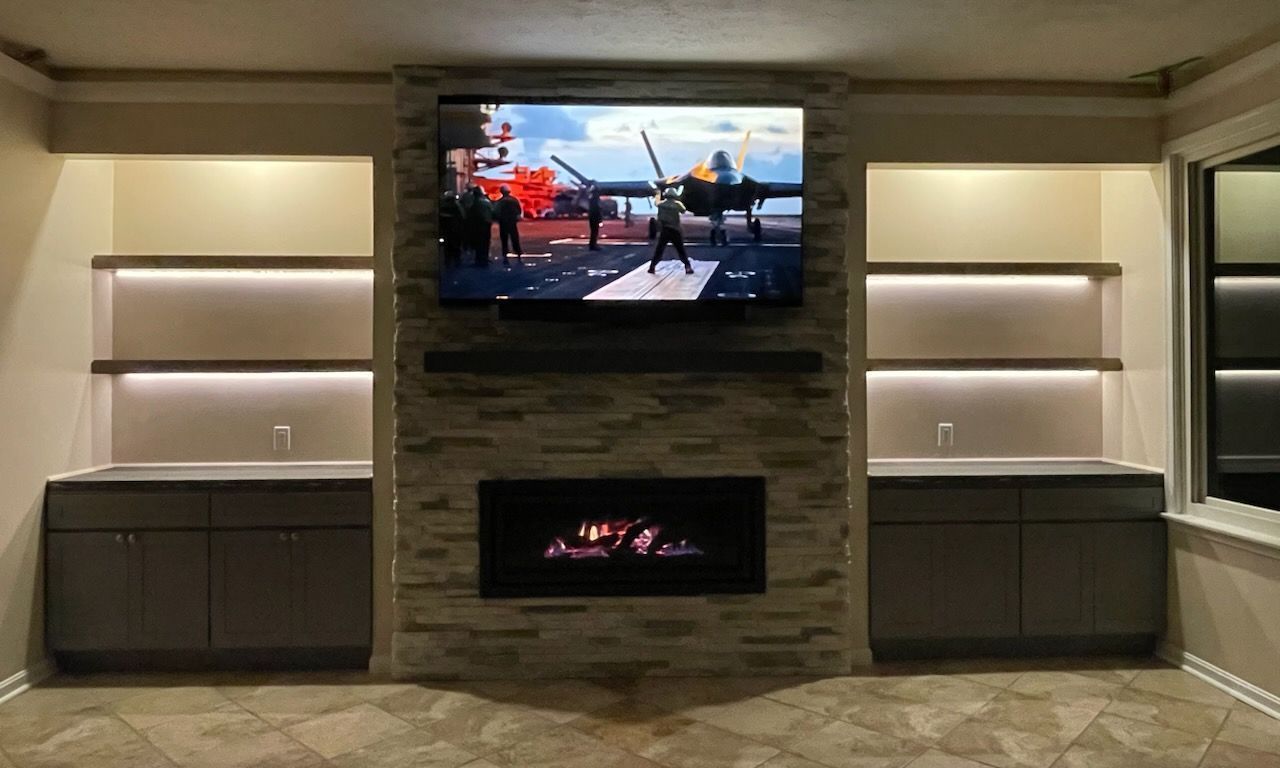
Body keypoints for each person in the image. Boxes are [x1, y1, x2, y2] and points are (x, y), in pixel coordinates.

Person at [648, 188, 693, 275]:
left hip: (665, 230)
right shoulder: (677, 204)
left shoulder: (661, 204)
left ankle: (652, 267)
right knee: (680, 250)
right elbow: (683, 210)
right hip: (675, 230)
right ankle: (688, 267)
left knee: (659, 250)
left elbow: (656, 203)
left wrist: (657, 194)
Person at [493, 184, 523, 264]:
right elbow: (519, 210)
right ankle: (519, 255)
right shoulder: (514, 200)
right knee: (515, 239)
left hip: (503, 223)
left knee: (504, 240)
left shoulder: (500, 201)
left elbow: (496, 211)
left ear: (501, 192)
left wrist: (497, 219)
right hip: (512, 222)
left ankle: (505, 256)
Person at [464, 185, 494, 265]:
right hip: (486, 224)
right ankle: (484, 258)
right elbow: (492, 211)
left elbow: (469, 213)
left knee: (478, 242)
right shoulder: (486, 202)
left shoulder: (474, 203)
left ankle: (479, 259)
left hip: (477, 225)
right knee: (485, 242)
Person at [439, 190, 465, 267]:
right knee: (456, 246)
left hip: (447, 230)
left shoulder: (443, 206)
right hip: (455, 229)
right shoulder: (457, 205)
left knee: (447, 247)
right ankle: (456, 261)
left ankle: (448, 261)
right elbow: (462, 216)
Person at [587, 186, 603, 251]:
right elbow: (597, 210)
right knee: (594, 232)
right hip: (595, 217)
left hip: (592, 217)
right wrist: (600, 219)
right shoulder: (595, 200)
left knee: (593, 232)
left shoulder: (592, 199)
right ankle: (593, 245)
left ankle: (592, 244)